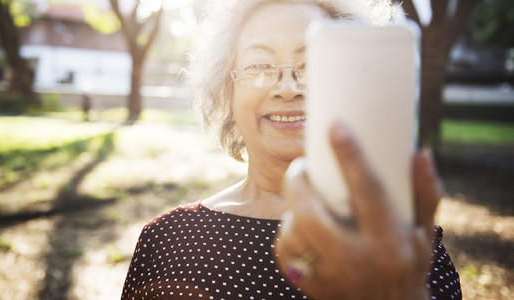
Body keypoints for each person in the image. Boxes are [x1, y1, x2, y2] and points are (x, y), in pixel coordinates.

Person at [121, 0, 462, 299]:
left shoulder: (404, 246)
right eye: (259, 66)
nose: (287, 88)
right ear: (227, 92)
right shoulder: (166, 241)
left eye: (312, 65)